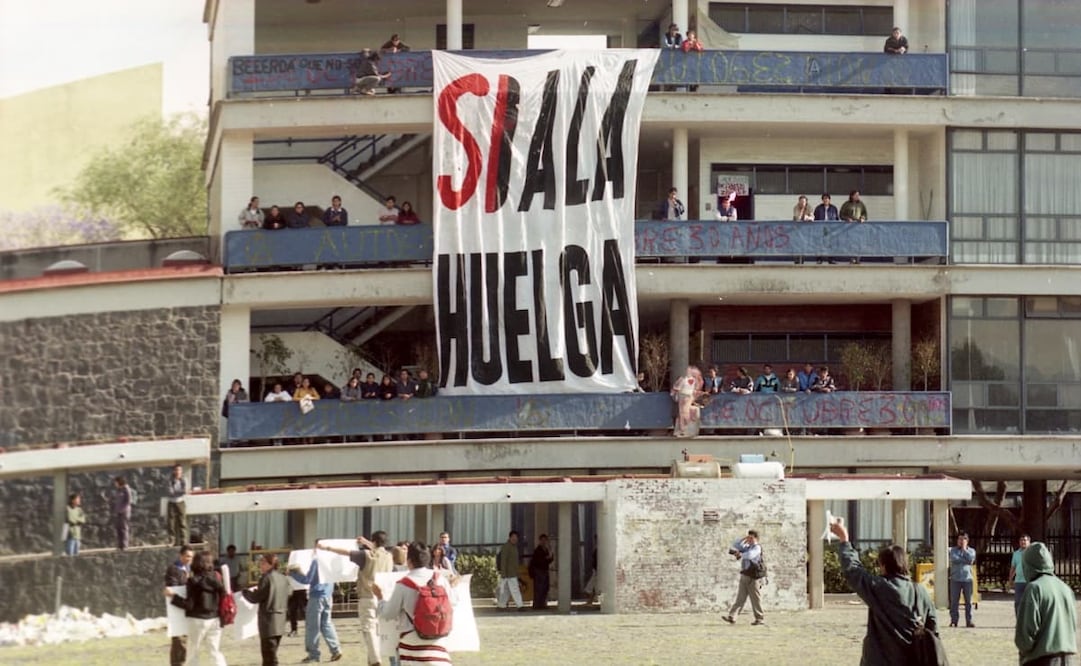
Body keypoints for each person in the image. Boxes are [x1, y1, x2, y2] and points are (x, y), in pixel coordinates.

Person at [830, 519, 940, 664]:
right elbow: (933, 627)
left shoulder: (880, 587)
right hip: (913, 659)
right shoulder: (920, 591)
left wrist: (844, 540)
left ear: (884, 566)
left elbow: (854, 571)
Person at [374, 541, 455, 665]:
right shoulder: (440, 579)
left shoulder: (403, 584)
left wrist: (380, 598)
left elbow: (388, 614)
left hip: (412, 644)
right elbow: (453, 602)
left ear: (409, 560)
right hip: (438, 642)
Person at [319, 532, 393, 666]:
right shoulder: (388, 557)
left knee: (369, 628)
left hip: (367, 595)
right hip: (383, 596)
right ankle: (372, 660)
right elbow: (377, 549)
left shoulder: (366, 555)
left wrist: (327, 548)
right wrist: (366, 542)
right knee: (377, 628)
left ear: (374, 541)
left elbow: (347, 552)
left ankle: (375, 659)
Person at [1015, 541, 1078, 666]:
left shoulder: (1034, 588)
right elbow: (1072, 623)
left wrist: (1024, 651)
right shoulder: (1065, 588)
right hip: (1067, 658)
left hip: (1042, 658)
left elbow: (1025, 633)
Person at [165, 551, 227, 666]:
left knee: (193, 653)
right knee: (214, 652)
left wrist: (173, 597)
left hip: (198, 619)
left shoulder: (193, 581)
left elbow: (189, 605)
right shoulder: (217, 578)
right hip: (215, 619)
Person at [288, 542, 344, 664]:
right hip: (328, 595)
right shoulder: (330, 562)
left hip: (316, 595)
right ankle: (336, 649)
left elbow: (307, 580)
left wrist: (293, 573)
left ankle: (313, 654)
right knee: (326, 624)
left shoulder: (316, 562)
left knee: (312, 626)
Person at [242, 552, 290, 666]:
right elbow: (290, 592)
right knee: (272, 651)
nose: (260, 565)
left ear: (270, 564)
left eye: (263, 563)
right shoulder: (283, 578)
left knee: (269, 656)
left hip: (269, 620)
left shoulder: (266, 578)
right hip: (281, 618)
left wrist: (245, 592)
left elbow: (256, 598)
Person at [721, 530, 766, 625]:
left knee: (755, 599)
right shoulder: (747, 547)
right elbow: (735, 545)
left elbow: (750, 556)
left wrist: (740, 554)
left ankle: (760, 618)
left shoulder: (757, 548)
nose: (749, 539)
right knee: (740, 598)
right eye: (748, 537)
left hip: (754, 577)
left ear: (756, 538)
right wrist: (743, 539)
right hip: (745, 575)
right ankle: (732, 617)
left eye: (751, 538)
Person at [164, 545, 194, 666]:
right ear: (181, 555)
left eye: (191, 557)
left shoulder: (190, 569)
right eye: (187, 556)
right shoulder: (173, 569)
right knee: (178, 639)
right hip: (177, 607)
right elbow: (173, 587)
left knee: (185, 639)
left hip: (187, 606)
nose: (189, 559)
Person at [948, 532, 976, 628]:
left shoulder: (972, 551)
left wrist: (964, 550)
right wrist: (965, 559)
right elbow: (954, 559)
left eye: (963, 539)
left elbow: (971, 559)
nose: (960, 541)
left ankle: (969, 620)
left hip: (967, 579)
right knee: (954, 601)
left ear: (967, 541)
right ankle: (954, 620)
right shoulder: (953, 550)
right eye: (959, 539)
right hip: (955, 579)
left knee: (969, 601)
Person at [670, 365, 704, 438]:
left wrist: (674, 393)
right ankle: (684, 429)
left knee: (683, 412)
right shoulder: (694, 380)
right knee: (684, 411)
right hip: (688, 396)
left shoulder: (683, 379)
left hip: (684, 395)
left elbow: (676, 388)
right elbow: (696, 388)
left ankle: (683, 430)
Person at [496, 530, 524, 610]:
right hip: (509, 574)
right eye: (513, 537)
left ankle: (501, 605)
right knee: (515, 590)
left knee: (506, 591)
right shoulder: (506, 547)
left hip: (511, 573)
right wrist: (503, 573)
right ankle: (520, 605)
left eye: (516, 537)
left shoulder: (513, 547)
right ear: (510, 537)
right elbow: (503, 560)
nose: (515, 539)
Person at [1008, 533, 1032, 615]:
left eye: (1025, 540)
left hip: (1029, 580)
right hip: (1019, 581)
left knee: (1029, 603)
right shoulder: (1016, 553)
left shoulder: (1032, 553)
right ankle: (1019, 621)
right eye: (1021, 540)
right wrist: (1010, 579)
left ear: (1029, 542)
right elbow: (1013, 567)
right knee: (1018, 602)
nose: (1023, 542)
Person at [529, 534, 553, 610]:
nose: (544, 542)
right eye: (542, 540)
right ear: (539, 541)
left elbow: (549, 560)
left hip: (545, 571)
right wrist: (546, 558)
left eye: (545, 540)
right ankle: (537, 604)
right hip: (539, 571)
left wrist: (550, 556)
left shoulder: (546, 549)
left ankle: (542, 603)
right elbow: (538, 561)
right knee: (539, 588)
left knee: (545, 588)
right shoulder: (538, 550)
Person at [166, 464, 188, 547]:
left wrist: (177, 492)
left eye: (179, 470)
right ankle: (171, 540)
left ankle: (183, 540)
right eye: (176, 470)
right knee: (171, 522)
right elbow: (170, 492)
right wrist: (179, 492)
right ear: (174, 471)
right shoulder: (170, 480)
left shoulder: (183, 480)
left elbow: (184, 491)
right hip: (171, 502)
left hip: (180, 502)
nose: (178, 472)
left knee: (182, 521)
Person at [112, 476, 132, 551]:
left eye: (116, 482)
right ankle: (120, 545)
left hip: (124, 512)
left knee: (124, 528)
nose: (115, 484)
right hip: (118, 512)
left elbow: (128, 501)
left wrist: (122, 509)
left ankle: (124, 545)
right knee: (118, 528)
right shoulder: (118, 490)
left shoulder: (126, 489)